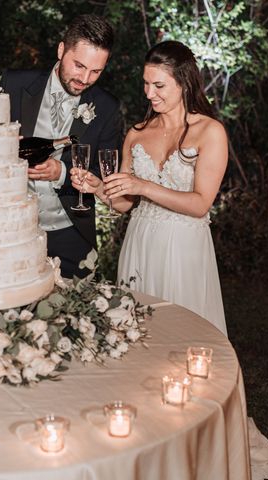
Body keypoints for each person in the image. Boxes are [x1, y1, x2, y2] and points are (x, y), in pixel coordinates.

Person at [71, 40, 228, 335]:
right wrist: (98, 188)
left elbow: (200, 204)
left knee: (184, 332)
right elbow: (124, 203)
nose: (148, 93)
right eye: (145, 84)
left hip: (184, 247)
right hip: (140, 242)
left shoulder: (210, 132)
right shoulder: (137, 133)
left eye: (158, 86)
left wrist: (143, 186)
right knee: (138, 330)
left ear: (183, 83)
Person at [0, 14, 122, 279]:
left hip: (70, 236)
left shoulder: (107, 108)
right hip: (8, 232)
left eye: (96, 71)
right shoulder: (13, 85)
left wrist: (62, 173)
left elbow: (105, 176)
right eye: (79, 66)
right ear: (61, 50)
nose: (85, 78)